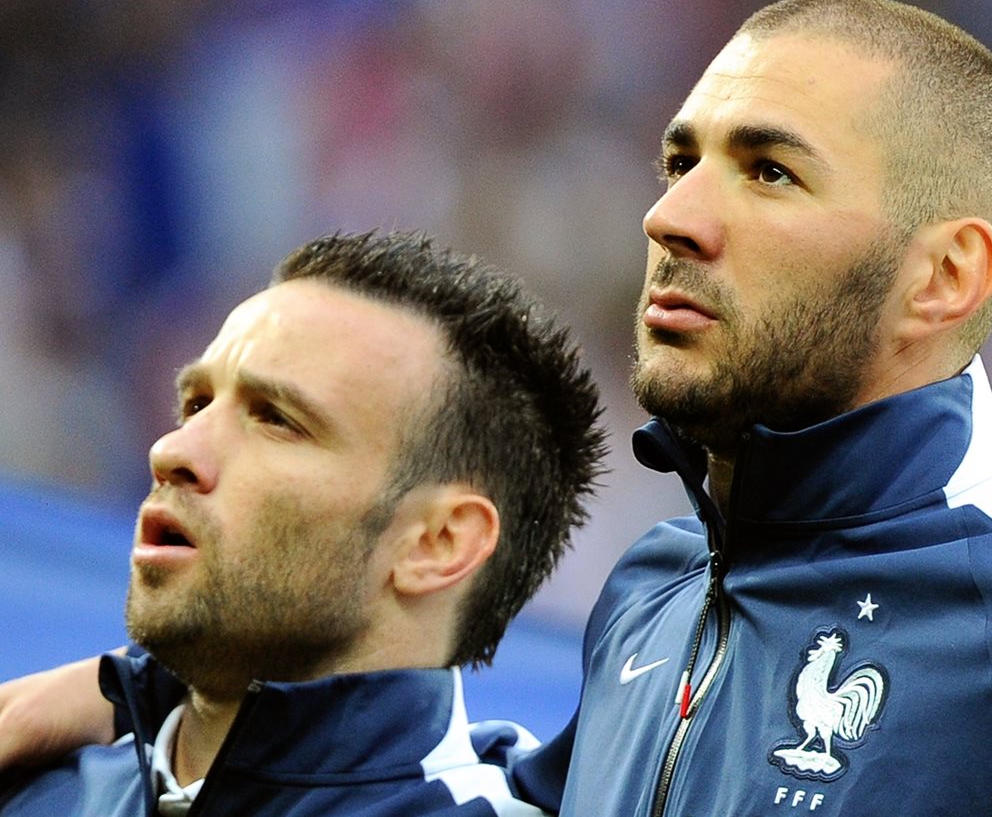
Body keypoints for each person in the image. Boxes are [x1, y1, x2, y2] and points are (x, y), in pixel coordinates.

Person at [4, 0, 992, 816]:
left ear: (945, 277)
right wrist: (148, 690)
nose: (671, 216)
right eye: (683, 159)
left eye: (769, 171)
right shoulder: (658, 593)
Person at [0, 229, 605, 816]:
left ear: (437, 543)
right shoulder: (34, 785)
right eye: (197, 404)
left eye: (276, 419)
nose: (172, 451)